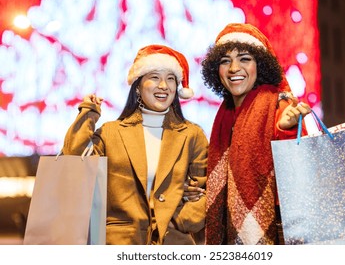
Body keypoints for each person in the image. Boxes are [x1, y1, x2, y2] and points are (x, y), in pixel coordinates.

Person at [62, 44, 208, 245]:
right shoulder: (111, 132)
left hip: (175, 245)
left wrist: (178, 222)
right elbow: (74, 160)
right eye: (155, 77)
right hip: (121, 245)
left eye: (171, 79)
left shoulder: (193, 135)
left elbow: (206, 192)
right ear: (138, 86)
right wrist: (88, 113)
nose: (164, 86)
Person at [200, 23, 311, 245]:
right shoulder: (225, 114)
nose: (233, 68)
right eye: (225, 61)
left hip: (279, 230)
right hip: (232, 232)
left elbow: (297, 169)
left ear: (260, 65)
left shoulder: (279, 102)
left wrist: (285, 128)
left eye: (244, 59)